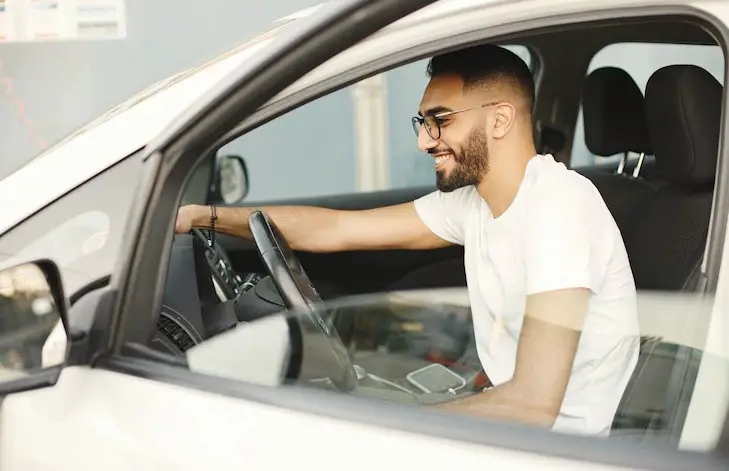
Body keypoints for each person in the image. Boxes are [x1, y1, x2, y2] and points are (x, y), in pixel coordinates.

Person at [176, 44, 639, 435]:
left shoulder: (560, 209)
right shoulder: (475, 203)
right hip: (511, 422)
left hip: (562, 447)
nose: (424, 142)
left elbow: (533, 405)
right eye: (422, 123)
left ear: (499, 120)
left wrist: (393, 431)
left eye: (440, 120)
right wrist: (205, 216)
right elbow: (336, 228)